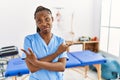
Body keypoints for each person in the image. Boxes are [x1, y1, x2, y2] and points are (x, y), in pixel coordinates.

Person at [21, 5, 72, 80]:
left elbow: (61, 67)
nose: (44, 23)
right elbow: (32, 68)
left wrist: (36, 62)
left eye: (47, 19)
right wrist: (57, 53)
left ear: (52, 19)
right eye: (39, 21)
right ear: (36, 23)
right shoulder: (29, 40)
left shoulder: (60, 40)